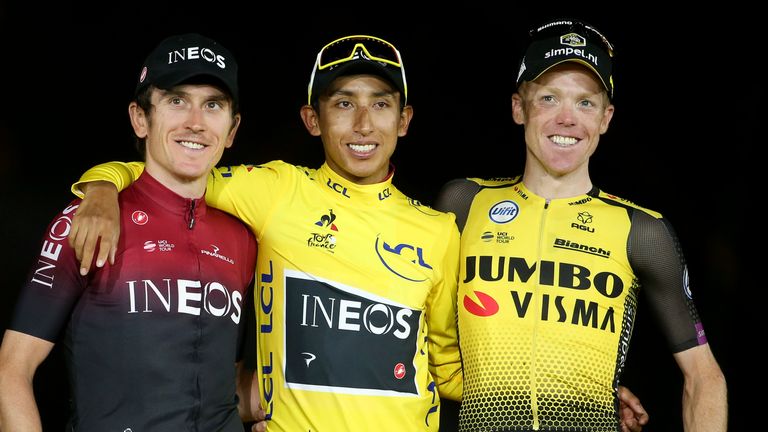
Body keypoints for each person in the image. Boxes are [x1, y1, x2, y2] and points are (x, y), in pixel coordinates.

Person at [60, 34, 648, 432]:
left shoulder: (439, 228)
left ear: (405, 119)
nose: (364, 124)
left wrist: (576, 393)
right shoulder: (273, 189)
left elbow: (449, 369)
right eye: (343, 104)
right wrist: (103, 185)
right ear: (312, 119)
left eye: (381, 104)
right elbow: (171, 168)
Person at [433, 18, 727, 431]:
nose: (568, 119)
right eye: (550, 98)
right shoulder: (463, 202)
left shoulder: (641, 229)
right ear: (519, 108)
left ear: (606, 118)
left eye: (585, 103)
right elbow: (413, 329)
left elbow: (704, 377)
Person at [0, 33, 266, 431]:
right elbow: (12, 369)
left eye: (213, 105)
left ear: (232, 130)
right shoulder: (90, 216)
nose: (195, 121)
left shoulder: (244, 237)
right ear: (140, 119)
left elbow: (222, 386)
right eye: (176, 100)